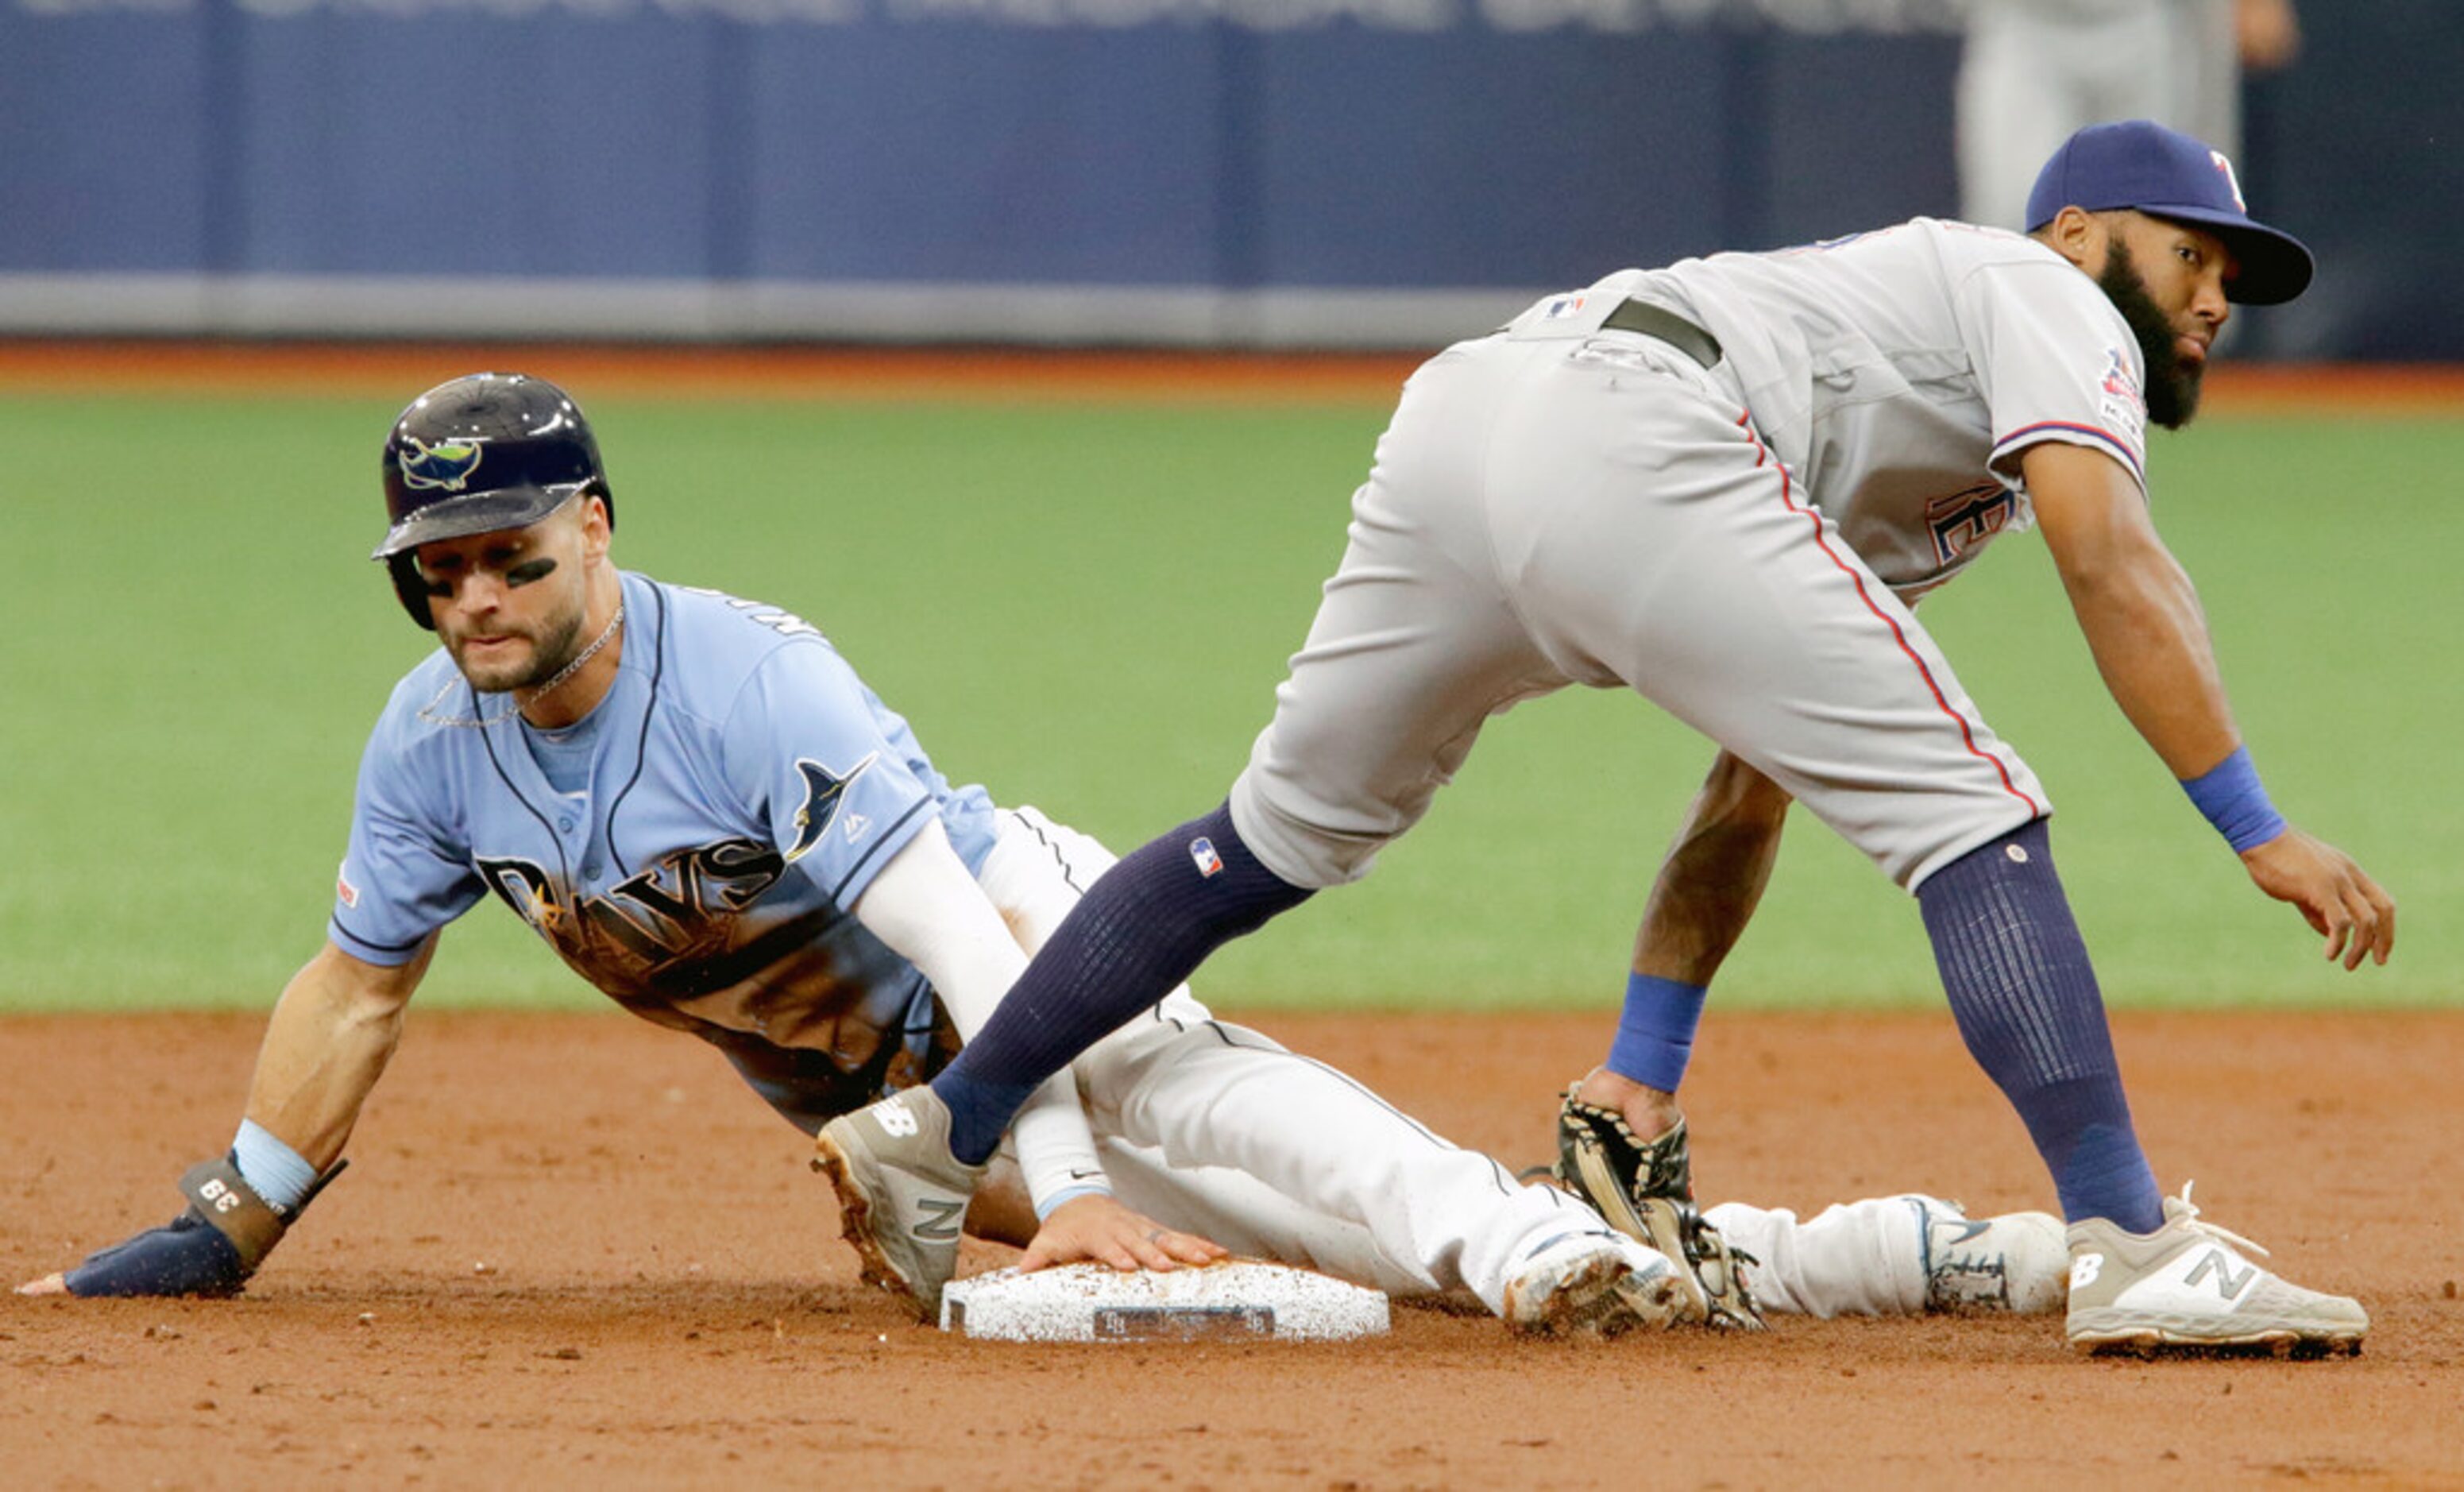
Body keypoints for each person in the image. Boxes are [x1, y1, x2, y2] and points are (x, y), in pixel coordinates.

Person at [12, 373, 2068, 1337]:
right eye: (434, 570)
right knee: (1326, 1253)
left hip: (1026, 945)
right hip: (923, 1104)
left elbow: (944, 915)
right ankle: (1861, 1252)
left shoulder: (743, 681)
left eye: (509, 555)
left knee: (1221, 1108)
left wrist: (1058, 1188)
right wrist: (232, 1219)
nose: (471, 598)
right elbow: (356, 980)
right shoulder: (430, 750)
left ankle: (1541, 1247)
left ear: (599, 532)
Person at [812, 120, 2393, 1357]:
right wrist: (2253, 823)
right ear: (2077, 233)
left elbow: (1747, 785)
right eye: (2194, 254)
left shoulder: (1915, 423)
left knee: (1273, 836)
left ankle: (939, 1136)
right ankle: (2129, 1243)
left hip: (1476, 417)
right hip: (1638, 426)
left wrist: (1646, 1071)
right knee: (1977, 816)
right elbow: (2115, 561)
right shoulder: (2042, 295)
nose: (2213, 299)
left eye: (2231, 285)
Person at [1960, 0, 2302, 231]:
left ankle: (2145, 337)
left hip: (2140, 23)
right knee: (2011, 211)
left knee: (2150, 214)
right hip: (2026, 27)